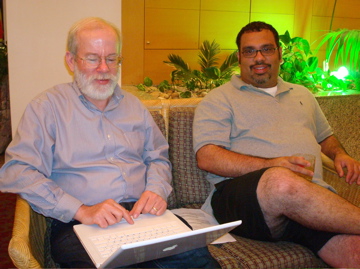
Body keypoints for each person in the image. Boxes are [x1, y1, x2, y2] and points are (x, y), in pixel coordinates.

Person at [0, 17, 219, 268]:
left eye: (112, 58)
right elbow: (16, 171)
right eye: (92, 58)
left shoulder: (134, 106)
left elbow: (157, 157)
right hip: (82, 224)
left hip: (144, 217)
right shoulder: (46, 108)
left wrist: (155, 190)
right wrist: (82, 210)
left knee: (199, 262)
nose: (104, 68)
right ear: (71, 61)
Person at [193, 21, 360, 267]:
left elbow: (325, 137)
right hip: (240, 200)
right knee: (280, 181)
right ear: (239, 57)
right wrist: (273, 165)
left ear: (279, 54)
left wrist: (340, 155)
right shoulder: (219, 99)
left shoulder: (302, 94)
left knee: (354, 252)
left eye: (266, 49)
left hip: (305, 201)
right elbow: (207, 157)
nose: (258, 57)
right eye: (249, 51)